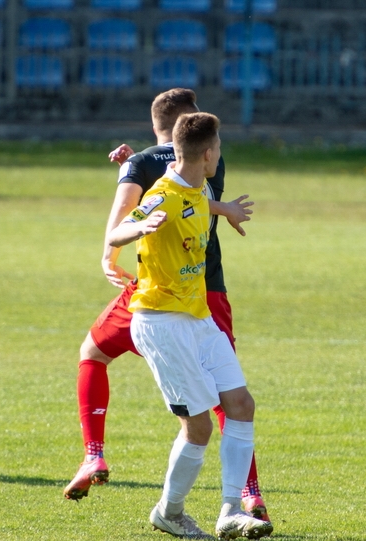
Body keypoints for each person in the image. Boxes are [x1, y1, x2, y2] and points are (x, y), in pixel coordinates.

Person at [64, 88, 270, 523]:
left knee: (241, 405)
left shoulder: (196, 189)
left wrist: (225, 209)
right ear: (210, 152)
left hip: (197, 317)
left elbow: (197, 202)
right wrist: (138, 228)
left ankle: (232, 509)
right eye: (219, 149)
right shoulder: (163, 195)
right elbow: (122, 228)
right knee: (198, 428)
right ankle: (170, 512)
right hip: (162, 321)